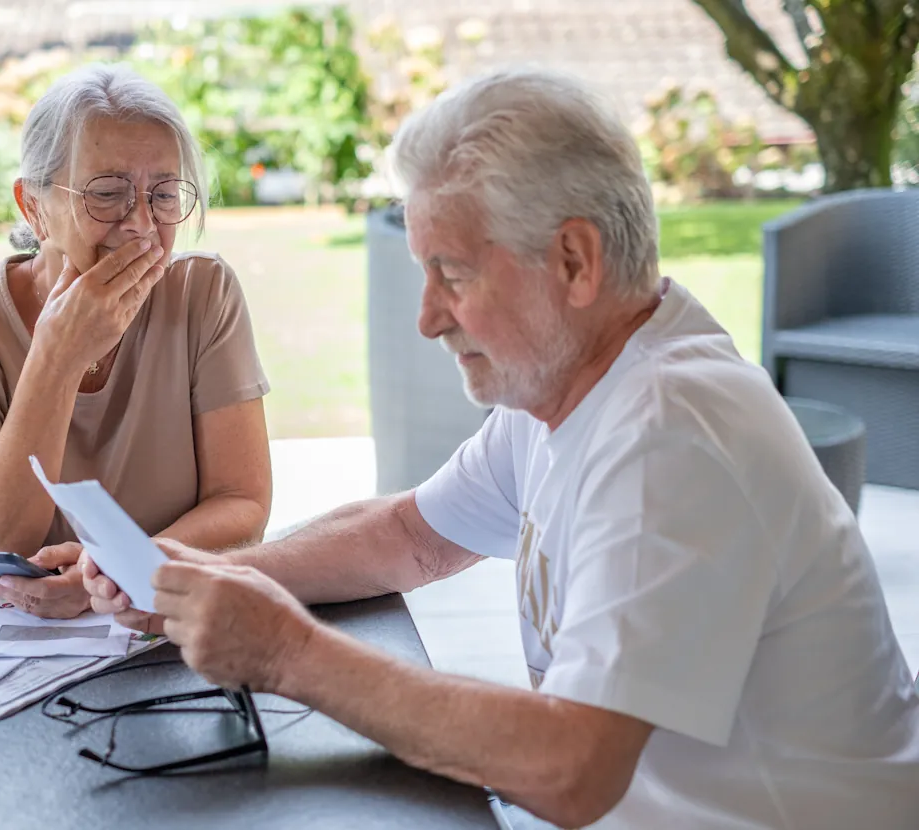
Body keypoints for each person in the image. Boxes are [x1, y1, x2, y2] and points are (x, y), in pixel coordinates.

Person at [76, 68, 919, 828]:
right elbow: (412, 534)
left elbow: (571, 768)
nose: (428, 316)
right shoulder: (574, 374)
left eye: (454, 273)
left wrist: (287, 653)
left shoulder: (668, 438)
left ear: (575, 262)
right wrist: (190, 576)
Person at [0, 65, 272, 618]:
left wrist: (120, 573)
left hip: (147, 622)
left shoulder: (202, 293)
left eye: (164, 194)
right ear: (34, 209)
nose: (142, 224)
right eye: (109, 194)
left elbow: (243, 505)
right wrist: (57, 356)